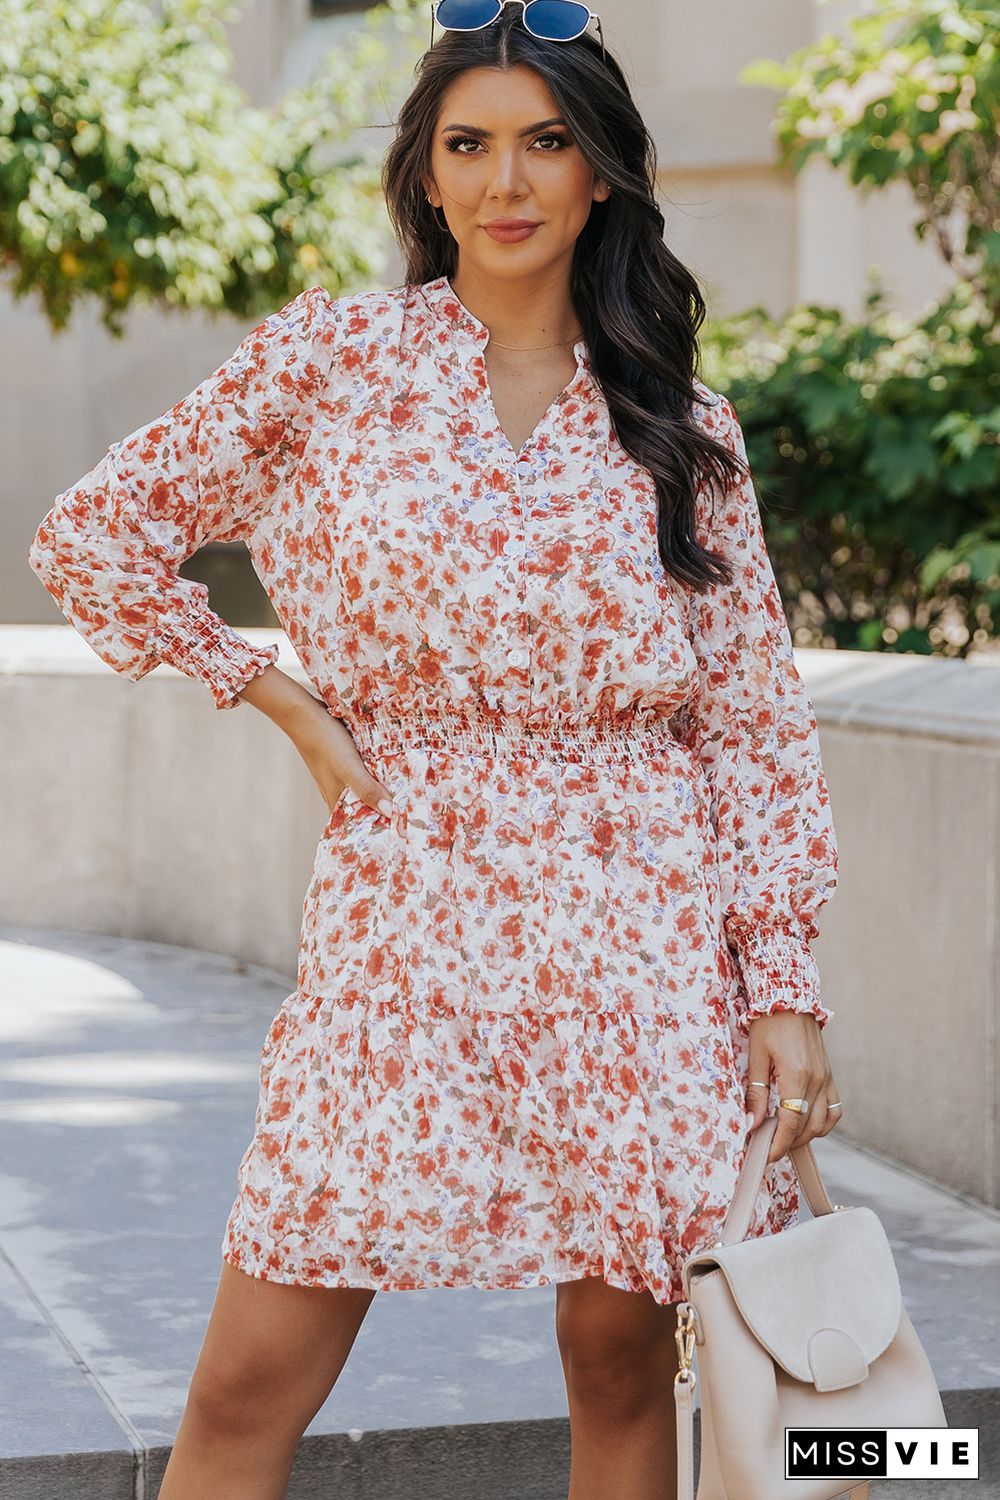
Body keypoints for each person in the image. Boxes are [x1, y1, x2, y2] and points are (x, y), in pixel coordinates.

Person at [26, 4, 845, 1497]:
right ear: (425, 174)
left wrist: (781, 987)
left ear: (601, 174)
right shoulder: (334, 360)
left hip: (640, 937)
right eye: (468, 144)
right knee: (246, 1374)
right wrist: (273, 694)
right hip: (406, 921)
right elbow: (92, 537)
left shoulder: (678, 421)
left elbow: (748, 724)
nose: (506, 181)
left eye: (547, 143)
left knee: (618, 1361)